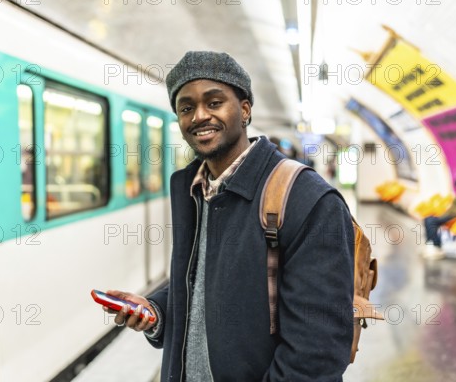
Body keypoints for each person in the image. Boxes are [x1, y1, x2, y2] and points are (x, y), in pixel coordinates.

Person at [102, 51, 355, 381]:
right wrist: (157, 311)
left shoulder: (307, 198)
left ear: (245, 110)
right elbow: (207, 277)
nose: (199, 116)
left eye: (214, 102)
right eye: (186, 108)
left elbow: (317, 353)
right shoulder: (193, 189)